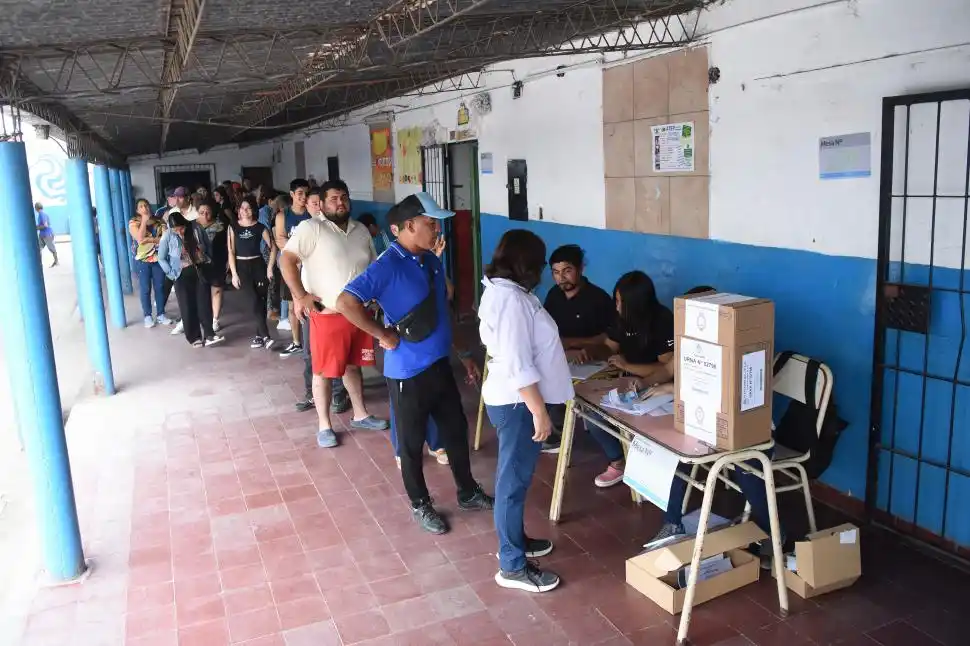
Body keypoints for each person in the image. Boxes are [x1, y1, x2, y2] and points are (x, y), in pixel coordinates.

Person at [336, 192, 493, 535]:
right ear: (408, 226)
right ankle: (421, 504)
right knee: (410, 443)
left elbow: (442, 311)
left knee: (455, 432)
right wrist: (383, 334)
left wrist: (463, 354)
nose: (437, 229)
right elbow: (346, 301)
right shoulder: (386, 265)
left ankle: (467, 490)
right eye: (430, 223)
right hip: (407, 372)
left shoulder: (431, 260)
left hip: (438, 363)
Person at [479, 229, 571, 593]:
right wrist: (539, 411)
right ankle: (512, 565)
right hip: (518, 404)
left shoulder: (508, 293)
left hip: (515, 400)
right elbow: (518, 364)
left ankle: (515, 540)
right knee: (511, 485)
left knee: (513, 480)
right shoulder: (511, 301)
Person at [279, 179, 388, 449]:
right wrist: (301, 295)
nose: (340, 203)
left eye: (344, 198)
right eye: (334, 199)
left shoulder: (361, 229)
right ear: (323, 203)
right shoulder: (311, 228)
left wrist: (376, 297)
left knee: (353, 365)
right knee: (324, 371)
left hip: (358, 314)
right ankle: (324, 425)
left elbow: (373, 266)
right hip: (327, 314)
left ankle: (360, 414)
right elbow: (287, 260)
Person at [584, 271, 675, 488]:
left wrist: (629, 367)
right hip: (631, 381)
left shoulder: (662, 320)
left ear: (635, 304)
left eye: (619, 302)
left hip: (660, 388)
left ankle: (645, 472)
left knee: (642, 423)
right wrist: (589, 351)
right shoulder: (622, 319)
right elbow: (610, 347)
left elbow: (668, 368)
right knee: (591, 413)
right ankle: (618, 461)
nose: (615, 307)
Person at [540, 244, 616, 453]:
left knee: (563, 380)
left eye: (567, 271)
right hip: (564, 356)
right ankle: (555, 433)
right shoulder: (554, 295)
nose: (561, 278)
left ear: (580, 269)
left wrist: (574, 344)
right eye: (556, 272)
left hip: (595, 360)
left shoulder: (598, 298)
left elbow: (610, 338)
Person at [297, 188, 350, 415]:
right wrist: (300, 296)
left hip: (341, 307)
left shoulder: (341, 231)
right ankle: (312, 394)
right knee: (312, 354)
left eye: (321, 202)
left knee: (341, 357)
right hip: (315, 306)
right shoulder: (308, 230)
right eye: (314, 203)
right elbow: (291, 264)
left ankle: (339, 395)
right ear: (308, 207)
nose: (318, 207)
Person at [158, 212, 225, 348]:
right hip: (180, 275)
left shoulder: (195, 229)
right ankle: (194, 338)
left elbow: (207, 245)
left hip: (198, 270)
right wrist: (170, 272)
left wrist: (204, 252)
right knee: (187, 306)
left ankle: (209, 335)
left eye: (181, 228)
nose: (180, 232)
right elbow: (161, 258)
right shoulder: (167, 236)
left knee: (204, 303)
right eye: (176, 230)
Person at [229, 196, 276, 349]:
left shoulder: (260, 227)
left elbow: (273, 247)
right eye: (242, 208)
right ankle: (266, 336)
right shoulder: (233, 227)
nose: (244, 211)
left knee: (261, 301)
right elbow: (231, 251)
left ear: (253, 210)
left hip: (258, 265)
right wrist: (234, 274)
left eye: (248, 208)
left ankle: (258, 336)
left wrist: (269, 267)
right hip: (241, 266)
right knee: (253, 300)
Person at [275, 179, 311, 358]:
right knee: (292, 306)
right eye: (300, 194)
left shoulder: (312, 213)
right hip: (291, 266)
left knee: (311, 303)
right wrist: (297, 255)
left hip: (310, 266)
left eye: (306, 193)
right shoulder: (283, 216)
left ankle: (312, 342)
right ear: (292, 195)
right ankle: (296, 342)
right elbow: (280, 239)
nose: (304, 197)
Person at [128, 198, 173, 327]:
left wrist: (150, 240)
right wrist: (144, 221)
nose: (145, 208)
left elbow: (165, 239)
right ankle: (147, 316)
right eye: (141, 206)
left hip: (159, 258)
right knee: (145, 289)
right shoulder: (133, 222)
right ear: (137, 210)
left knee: (159, 287)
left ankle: (161, 314)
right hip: (143, 260)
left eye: (146, 205)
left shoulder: (159, 221)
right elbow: (140, 239)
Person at [195, 198, 228, 333]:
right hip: (198, 264)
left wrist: (228, 262)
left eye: (207, 212)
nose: (204, 215)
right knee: (200, 293)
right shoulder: (192, 226)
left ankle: (215, 319)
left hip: (217, 263)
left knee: (217, 290)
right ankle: (202, 319)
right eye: (201, 212)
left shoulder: (220, 226)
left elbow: (227, 246)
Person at [35, 202, 58, 267]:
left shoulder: (42, 215)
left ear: (36, 208)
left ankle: (56, 261)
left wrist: (37, 227)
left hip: (47, 234)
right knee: (39, 248)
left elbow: (45, 225)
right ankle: (39, 263)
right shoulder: (42, 214)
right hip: (42, 235)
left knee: (51, 248)